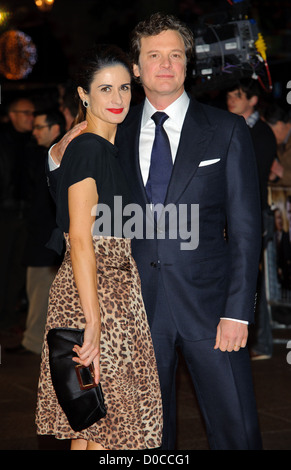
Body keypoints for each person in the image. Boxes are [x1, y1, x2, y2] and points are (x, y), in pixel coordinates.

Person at [49, 13, 263, 450]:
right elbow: (75, 201)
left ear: (188, 64)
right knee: (143, 437)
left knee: (236, 429)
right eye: (153, 56)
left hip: (212, 310)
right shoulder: (112, 130)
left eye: (175, 55)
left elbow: (246, 228)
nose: (165, 65)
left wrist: (238, 311)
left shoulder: (226, 130)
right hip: (132, 311)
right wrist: (57, 156)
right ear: (137, 66)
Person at [35, 44, 163, 451]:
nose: (118, 99)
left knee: (95, 426)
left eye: (125, 88)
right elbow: (81, 239)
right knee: (109, 427)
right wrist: (94, 322)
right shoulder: (89, 147)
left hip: (109, 292)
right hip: (95, 294)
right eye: (105, 89)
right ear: (84, 94)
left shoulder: (99, 146)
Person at [5, 109, 65, 355]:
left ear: (55, 129)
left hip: (46, 241)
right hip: (40, 238)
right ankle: (33, 342)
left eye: (40, 127)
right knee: (37, 291)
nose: (34, 131)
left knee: (42, 293)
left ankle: (35, 344)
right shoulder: (41, 154)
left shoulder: (58, 156)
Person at [226, 78, 276, 360]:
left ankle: (259, 341)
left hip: (254, 215)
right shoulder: (238, 128)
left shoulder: (259, 133)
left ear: (253, 100)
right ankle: (257, 341)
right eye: (230, 93)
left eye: (238, 94)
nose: (231, 99)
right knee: (250, 279)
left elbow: (248, 178)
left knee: (252, 280)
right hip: (243, 214)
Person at [0, 97, 35, 328]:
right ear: (12, 115)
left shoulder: (33, 142)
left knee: (19, 269)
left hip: (27, 213)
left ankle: (8, 318)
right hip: (5, 212)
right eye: (26, 113)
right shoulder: (4, 141)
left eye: (33, 113)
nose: (31, 118)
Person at [264, 104, 291, 187]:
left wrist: (281, 172)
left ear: (279, 125)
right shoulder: (280, 144)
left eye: (270, 131)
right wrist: (275, 178)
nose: (268, 136)